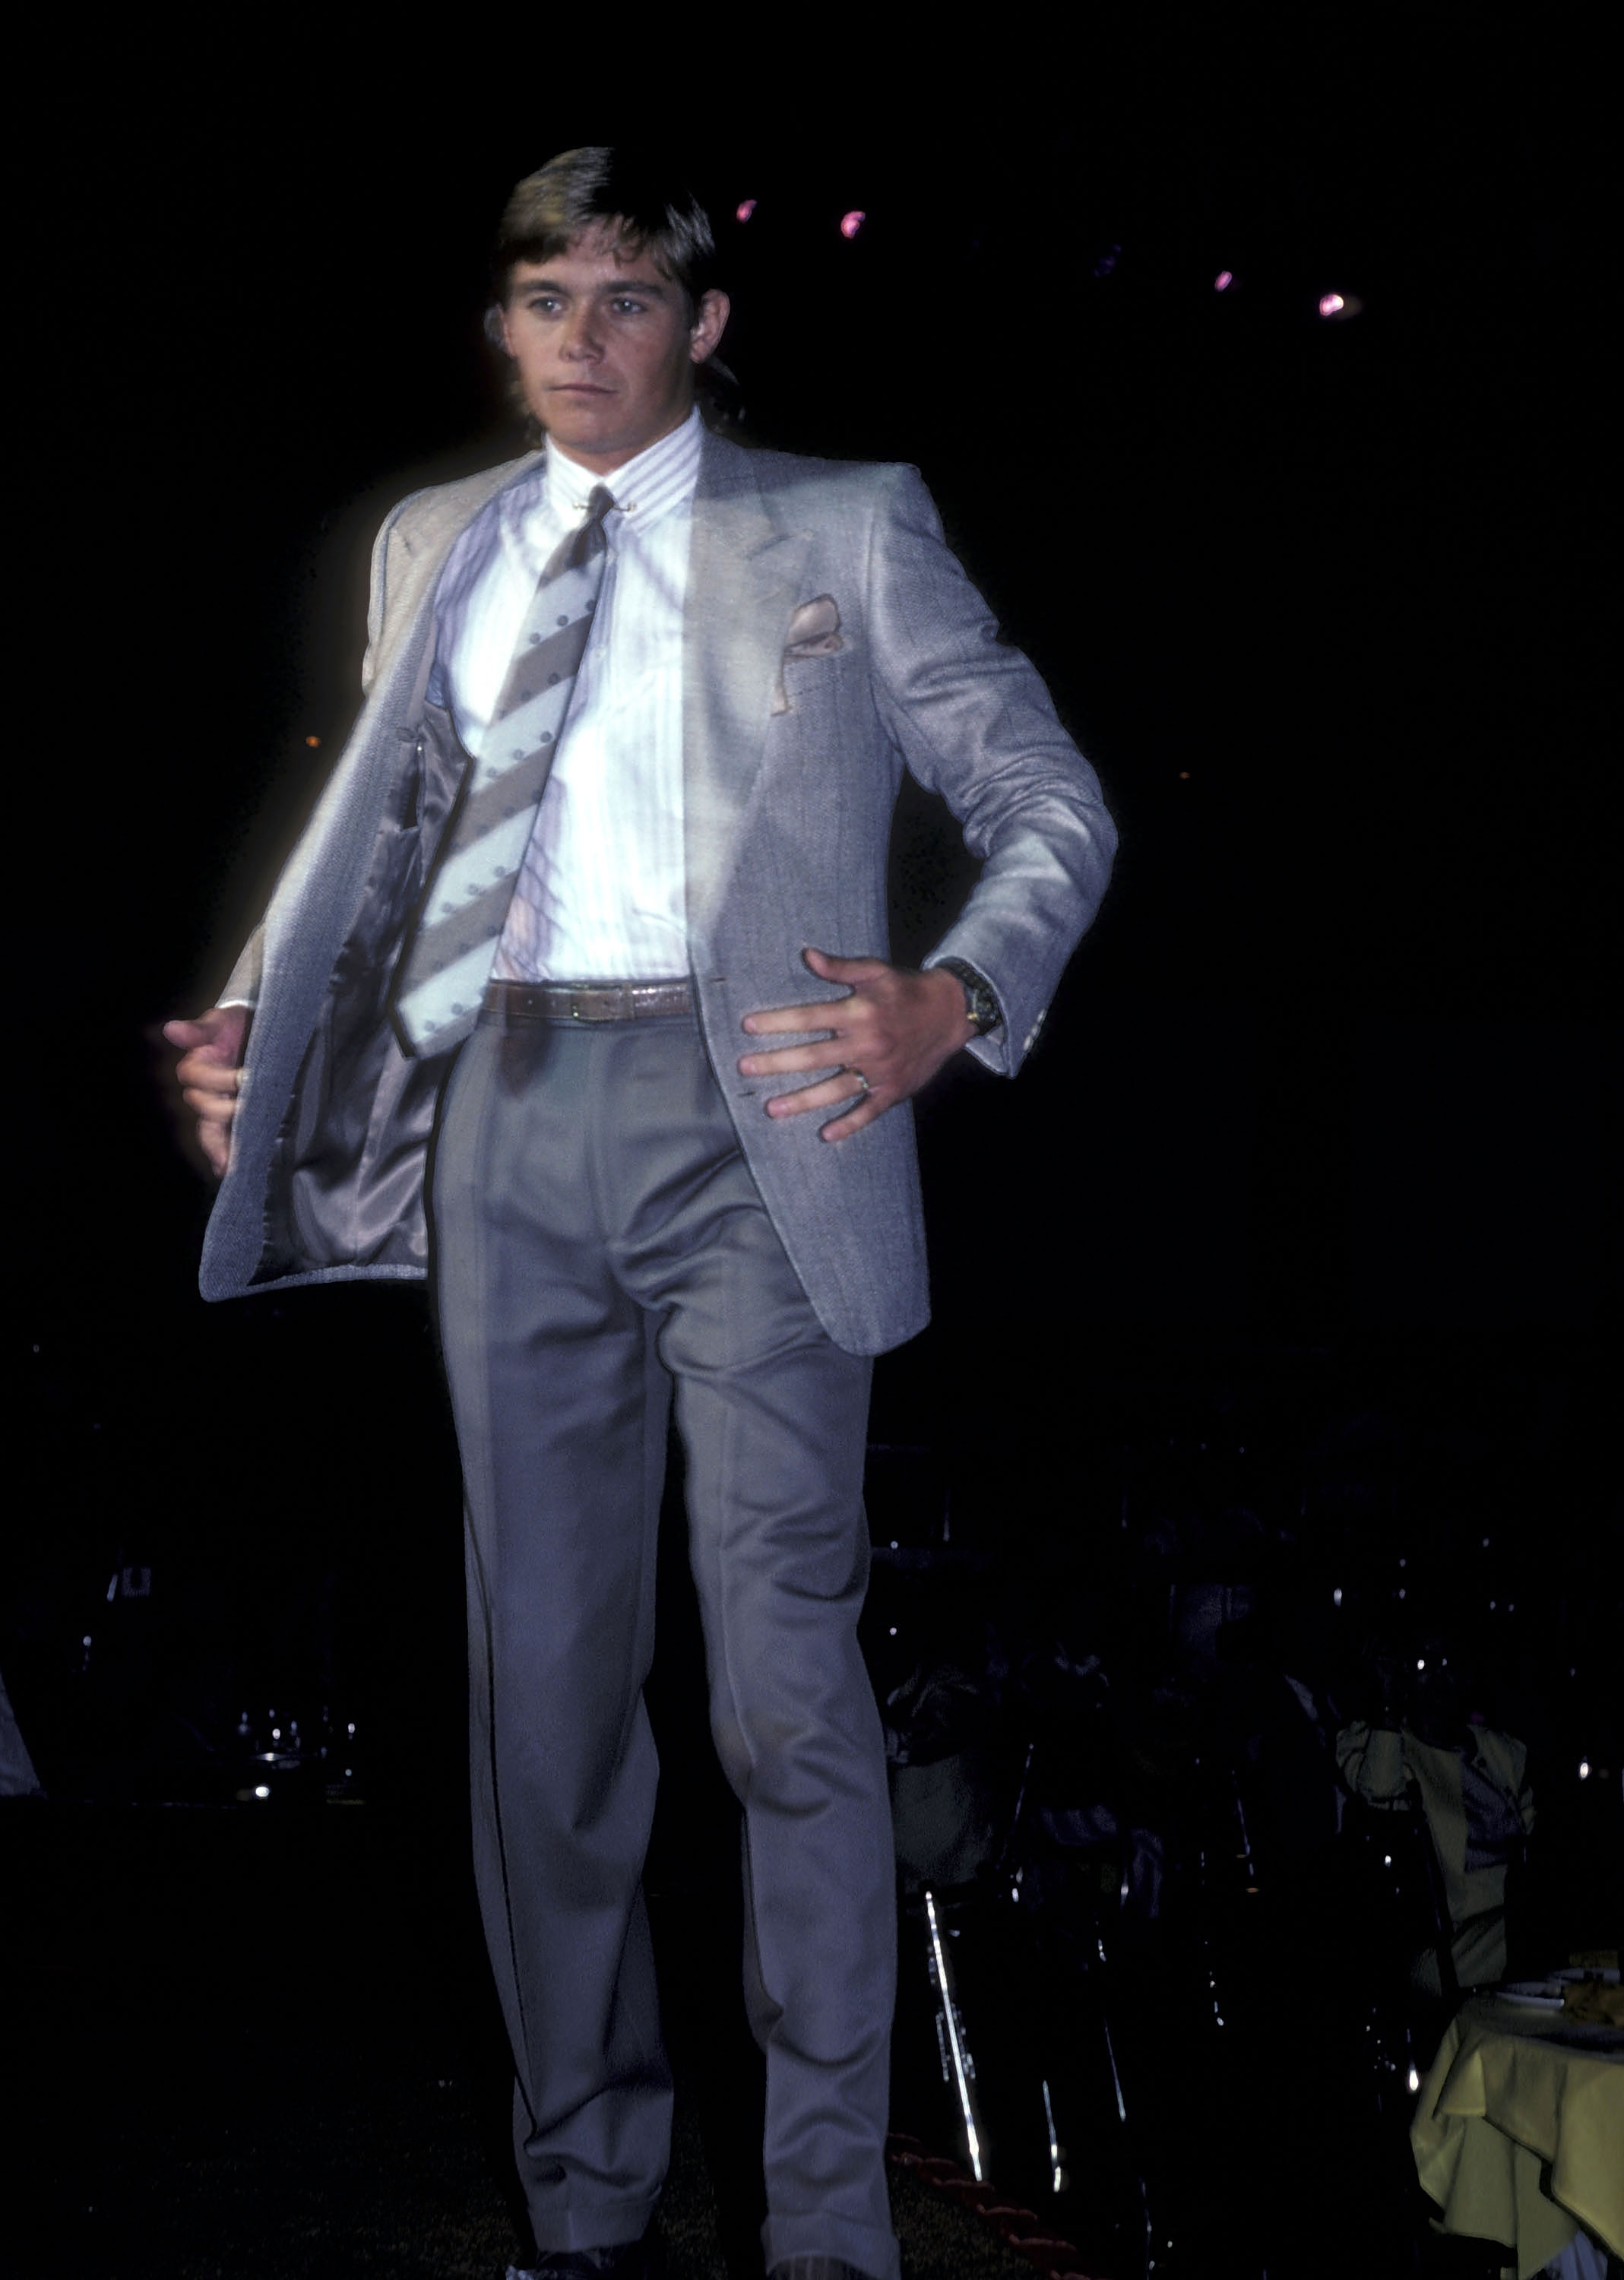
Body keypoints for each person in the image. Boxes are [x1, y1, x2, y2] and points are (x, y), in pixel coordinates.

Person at [166, 147, 1116, 2280]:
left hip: (755, 1118)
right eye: (540, 299)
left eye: (621, 299)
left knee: (783, 1694)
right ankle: (583, 2199)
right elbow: (377, 816)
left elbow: (1047, 794)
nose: (577, 339)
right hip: (503, 1117)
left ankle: (825, 2226)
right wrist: (247, 1011)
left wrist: (952, 994)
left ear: (700, 323)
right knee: (547, 1702)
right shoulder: (442, 538)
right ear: (498, 326)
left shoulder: (842, 522)